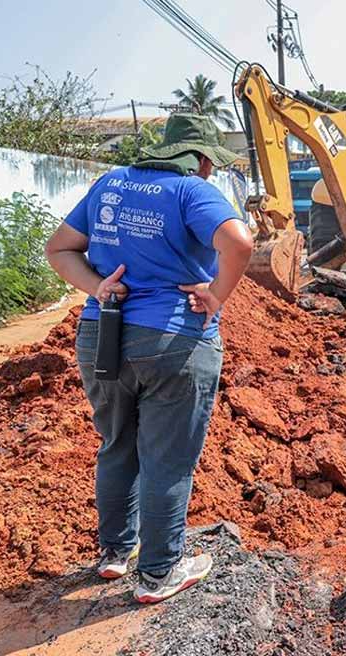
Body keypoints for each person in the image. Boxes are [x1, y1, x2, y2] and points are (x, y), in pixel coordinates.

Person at [45, 113, 254, 604]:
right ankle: (160, 572)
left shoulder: (110, 183)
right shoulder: (190, 191)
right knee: (166, 459)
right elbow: (239, 243)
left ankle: (116, 554)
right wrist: (216, 295)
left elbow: (59, 249)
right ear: (202, 159)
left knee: (117, 443)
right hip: (172, 342)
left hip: (103, 333)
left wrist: (98, 286)